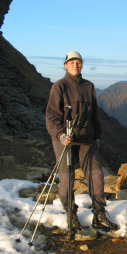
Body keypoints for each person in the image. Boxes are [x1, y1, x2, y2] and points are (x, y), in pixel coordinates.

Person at [46, 51, 118, 232]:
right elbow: (52, 115)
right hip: (65, 139)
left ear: (82, 65)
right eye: (71, 63)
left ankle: (99, 214)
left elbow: (94, 114)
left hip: (86, 138)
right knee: (66, 177)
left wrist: (97, 135)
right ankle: (71, 215)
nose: (75, 65)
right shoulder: (59, 86)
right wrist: (60, 134)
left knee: (96, 175)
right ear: (65, 65)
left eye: (78, 62)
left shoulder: (89, 86)